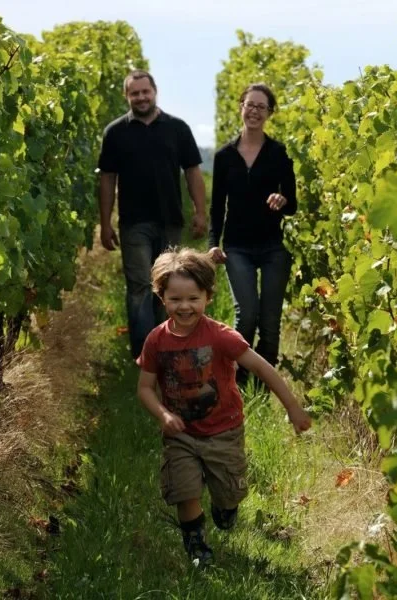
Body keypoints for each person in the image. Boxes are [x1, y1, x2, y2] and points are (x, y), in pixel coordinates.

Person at [136, 247, 311, 567]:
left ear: (207, 297)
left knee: (230, 493)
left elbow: (262, 368)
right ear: (162, 298)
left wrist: (292, 408)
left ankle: (225, 506)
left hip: (224, 430)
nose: (184, 306)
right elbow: (145, 388)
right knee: (184, 489)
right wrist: (163, 414)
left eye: (193, 298)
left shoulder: (220, 336)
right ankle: (196, 544)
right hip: (182, 434)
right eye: (175, 299)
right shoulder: (156, 341)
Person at [98, 70, 208, 359]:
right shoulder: (115, 132)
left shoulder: (177, 128)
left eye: (145, 91)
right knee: (139, 286)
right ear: (127, 96)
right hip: (133, 222)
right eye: (134, 93)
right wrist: (105, 222)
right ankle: (145, 356)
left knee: (168, 287)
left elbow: (193, 172)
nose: (141, 97)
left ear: (155, 91)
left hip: (170, 219)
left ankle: (169, 349)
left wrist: (200, 212)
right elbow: (107, 179)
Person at [207, 83, 297, 384]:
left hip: (273, 247)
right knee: (246, 316)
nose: (254, 111)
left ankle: (263, 386)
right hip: (238, 247)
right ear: (241, 107)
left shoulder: (279, 153)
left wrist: (281, 201)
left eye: (261, 106)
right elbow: (217, 206)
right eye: (250, 104)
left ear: (269, 113)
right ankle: (239, 382)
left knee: (270, 323)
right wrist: (212, 244)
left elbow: (292, 204)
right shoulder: (224, 157)